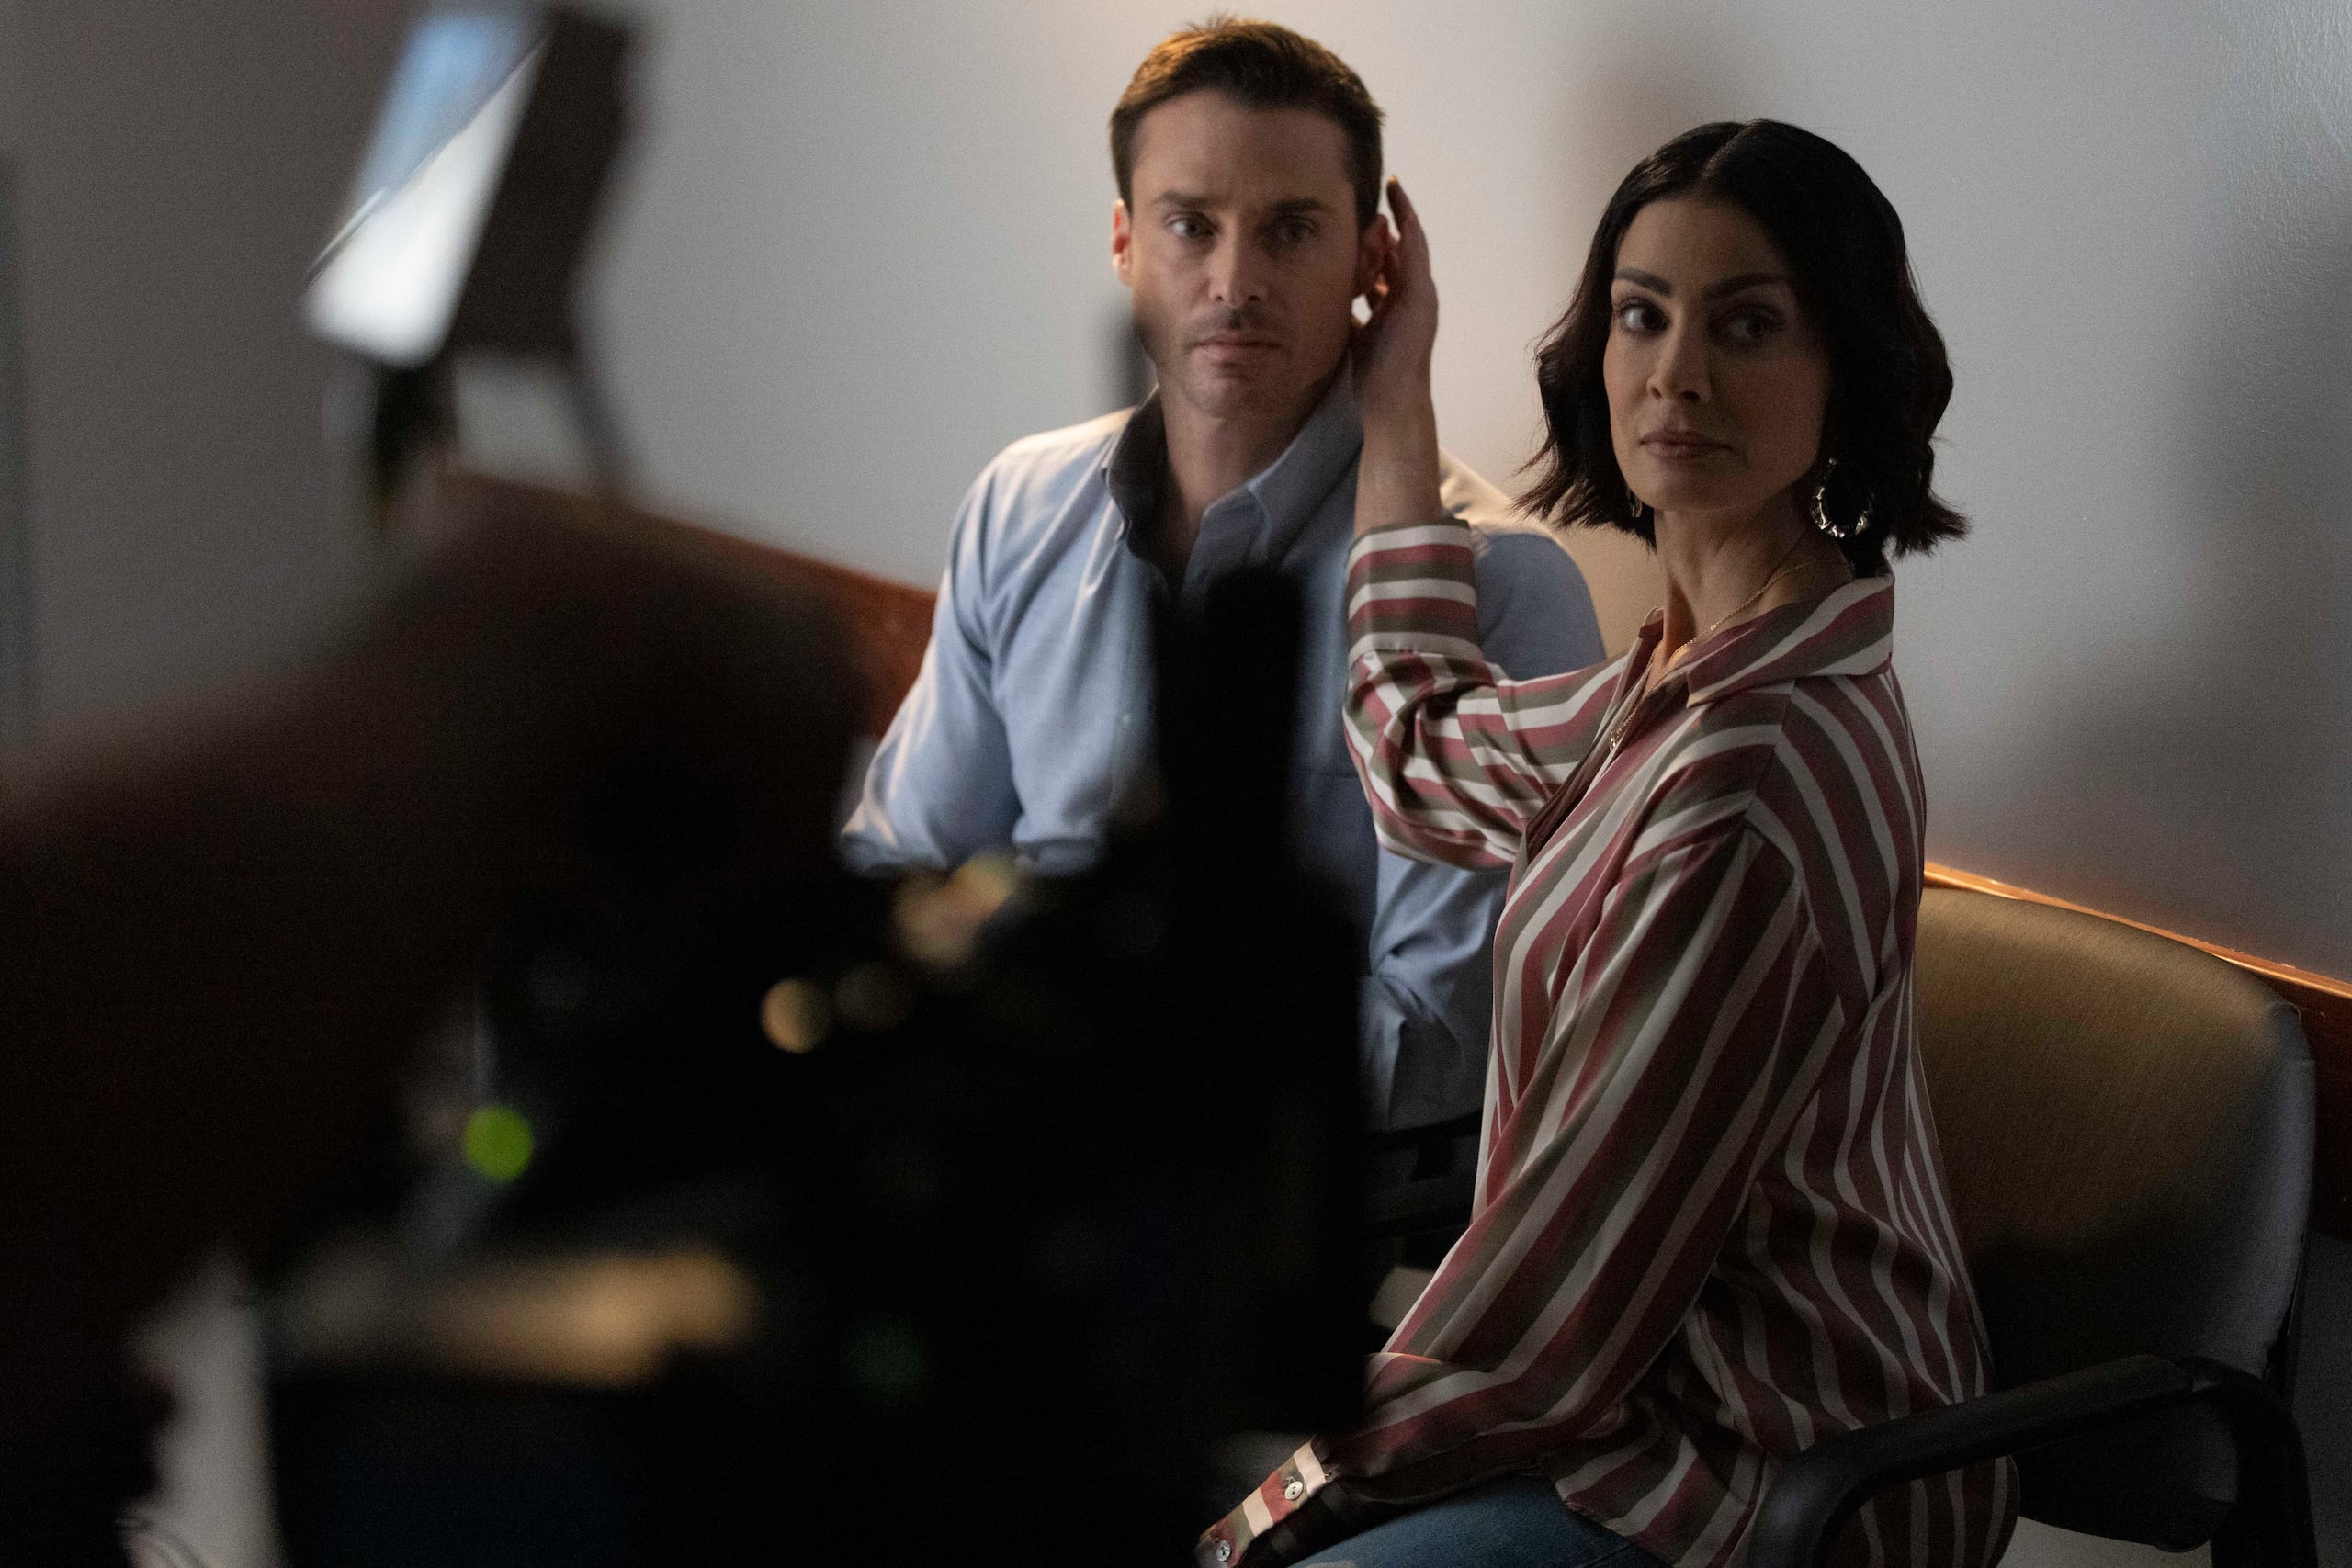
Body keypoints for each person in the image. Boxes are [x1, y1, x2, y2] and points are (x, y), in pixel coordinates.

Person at [1204, 122, 2018, 1568]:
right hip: (1625, 1409)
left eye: (1748, 325)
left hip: (1770, 1476)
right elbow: (1415, 749)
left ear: (1850, 369)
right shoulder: (1684, 684)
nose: (1676, 373)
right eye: (1643, 315)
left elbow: (1541, 1336)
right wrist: (1400, 390)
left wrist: (1255, 1518)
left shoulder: (1750, 769)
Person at [840, 18, 1602, 1131]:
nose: (1234, 282)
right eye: (1190, 225)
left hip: (1281, 1195)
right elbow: (900, 862)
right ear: (1123, 243)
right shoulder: (1021, 503)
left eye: (1290, 230)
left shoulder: (1498, 584)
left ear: (1372, 260)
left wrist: (1078, 1050)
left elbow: (1446, 1048)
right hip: (997, 1144)